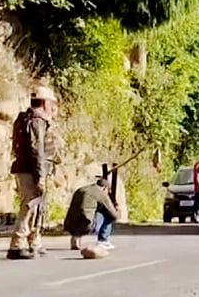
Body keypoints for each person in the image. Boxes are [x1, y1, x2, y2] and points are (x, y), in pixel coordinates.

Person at [8, 85, 59, 260]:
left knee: (37, 206)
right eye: (52, 104)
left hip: (29, 169)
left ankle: (34, 241)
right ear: (44, 103)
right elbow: (37, 151)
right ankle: (17, 244)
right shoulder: (37, 121)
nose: (54, 108)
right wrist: (41, 177)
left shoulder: (26, 119)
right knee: (29, 205)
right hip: (32, 171)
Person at [64, 173, 120, 251]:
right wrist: (117, 209)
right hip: (87, 226)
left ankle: (76, 236)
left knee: (83, 212)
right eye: (108, 191)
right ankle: (103, 241)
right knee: (108, 215)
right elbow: (114, 216)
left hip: (70, 225)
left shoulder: (81, 190)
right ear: (105, 188)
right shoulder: (101, 193)